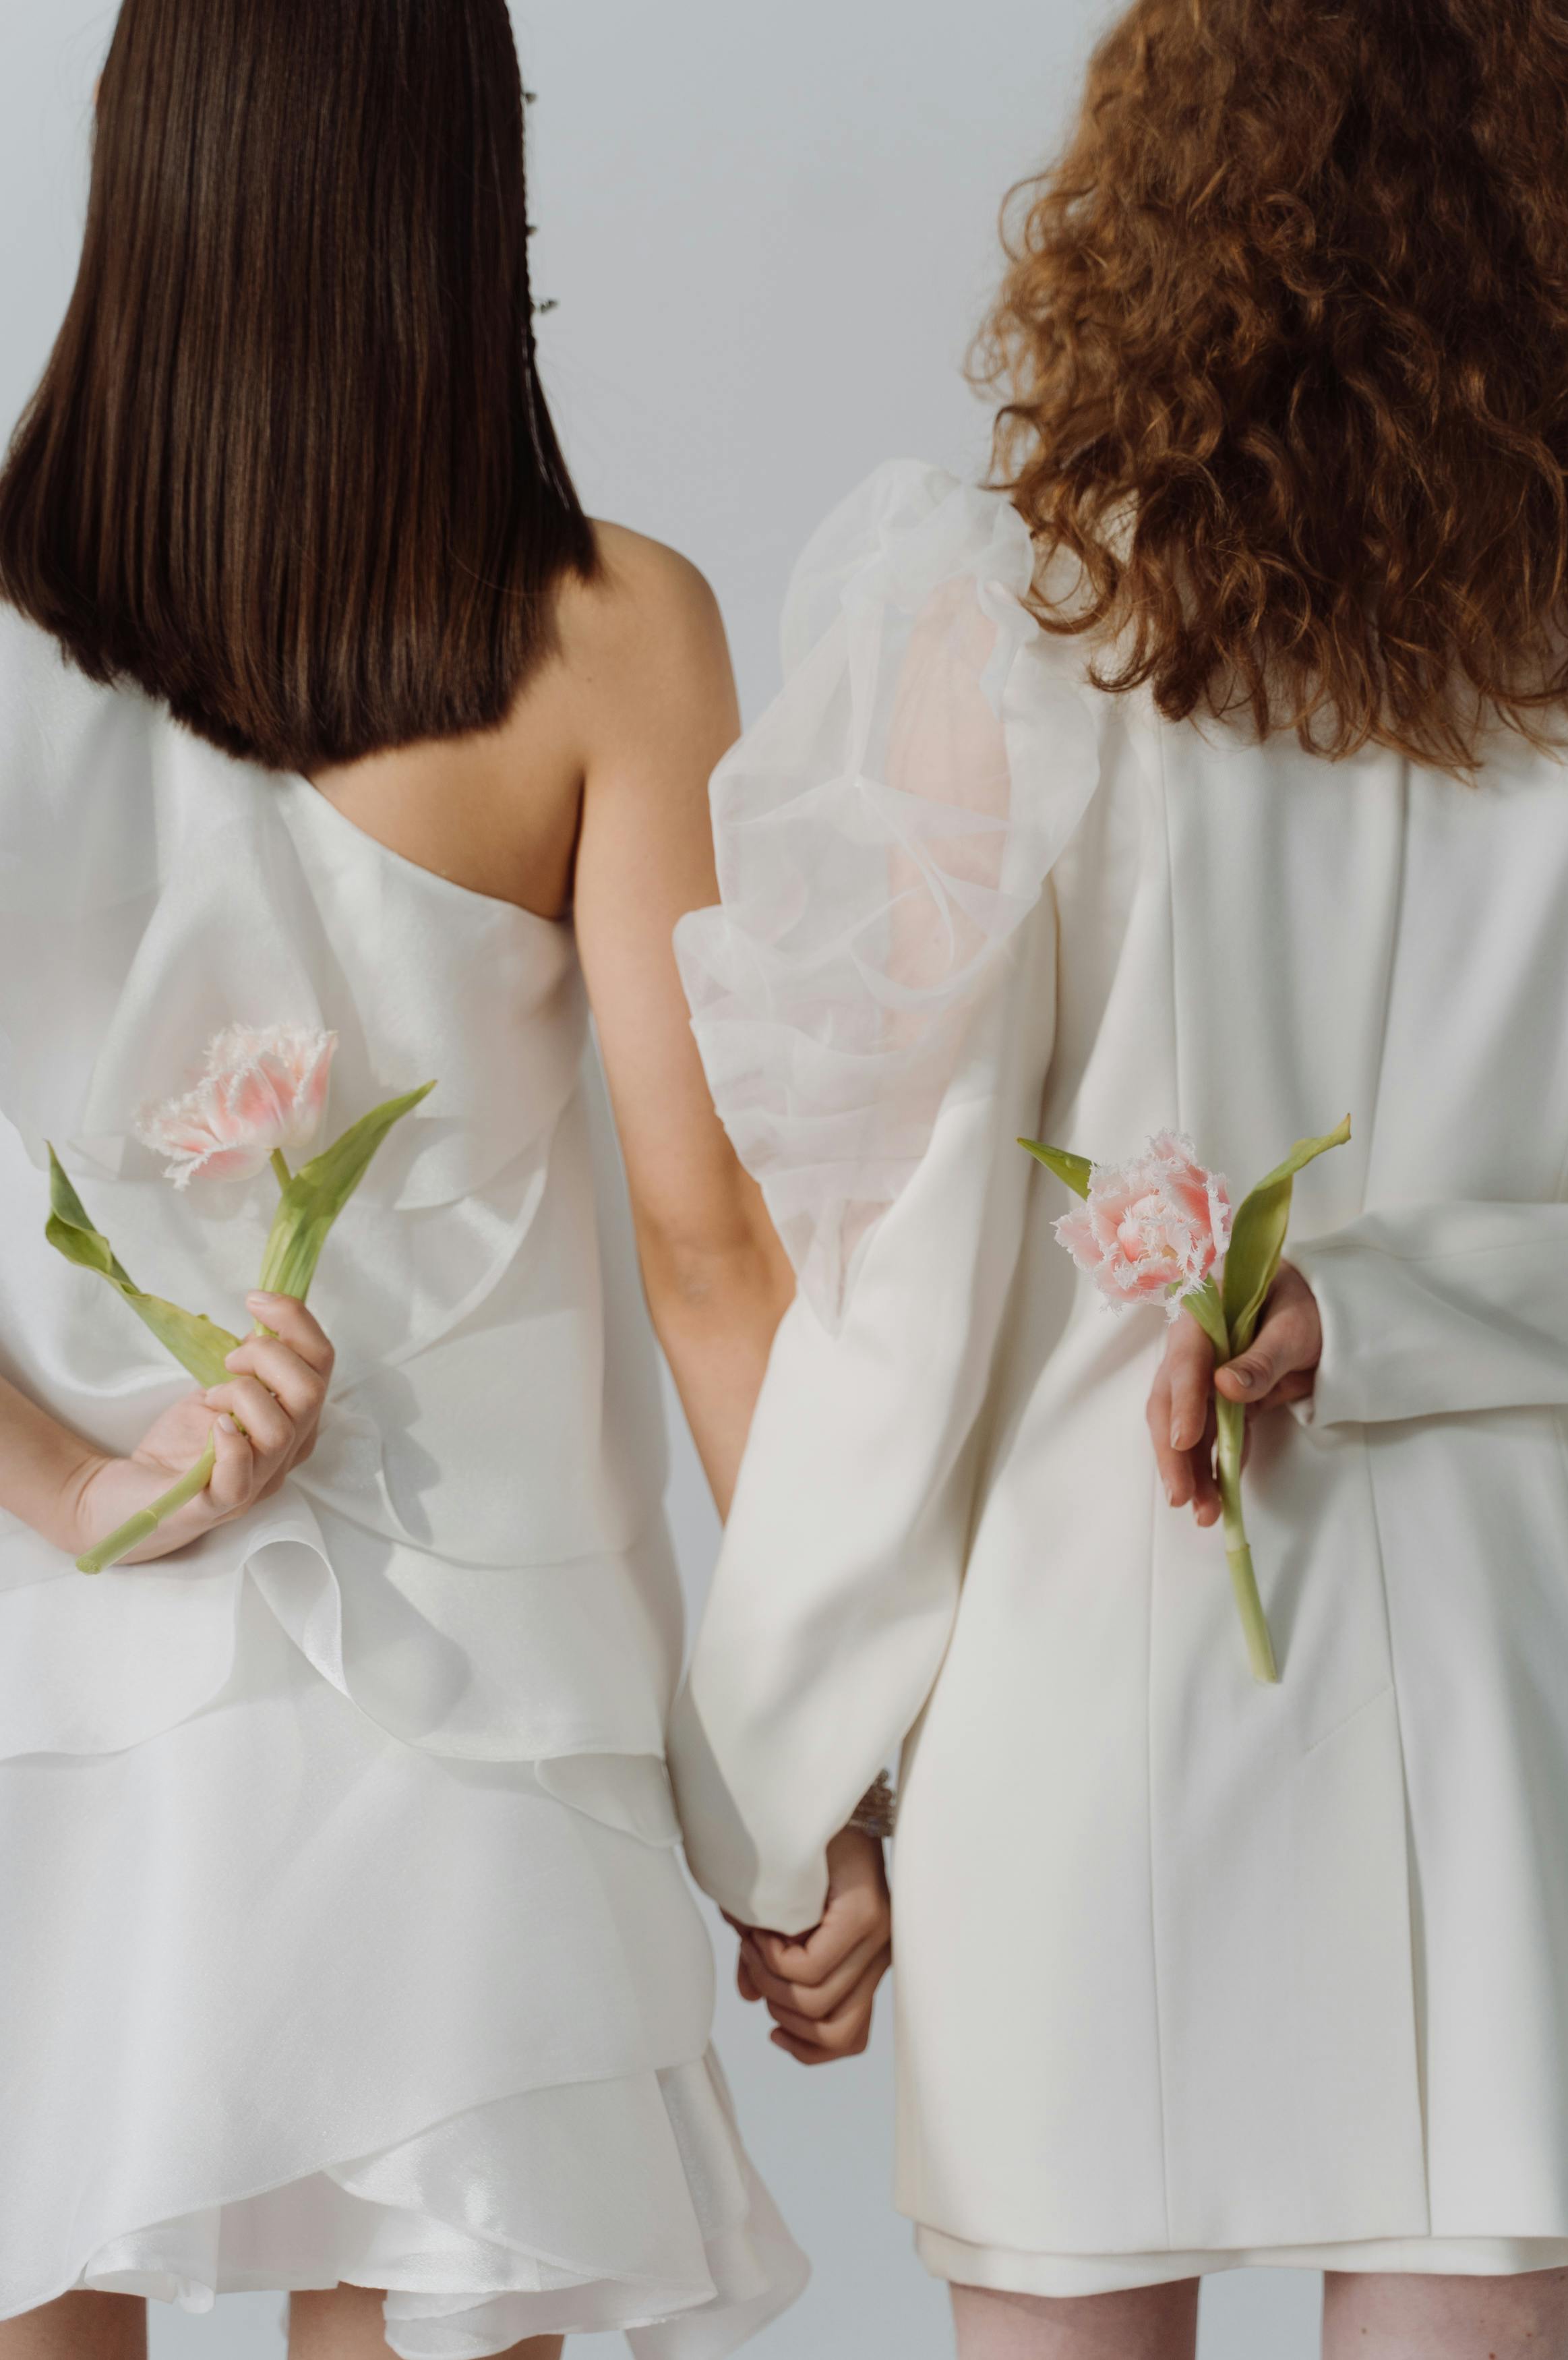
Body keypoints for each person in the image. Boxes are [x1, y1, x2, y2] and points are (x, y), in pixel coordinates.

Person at [667, 1, 1568, 2355]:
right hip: (1511, 1718)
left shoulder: (1031, 613)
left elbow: (910, 1294)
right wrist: (1381, 1314)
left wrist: (783, 1808)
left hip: (1097, 1691)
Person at [0, 0, 858, 2351]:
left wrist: (77, 1484)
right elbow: (717, 1258)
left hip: (55, 1686)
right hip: (476, 1703)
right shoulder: (611, 635)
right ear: (461, 194)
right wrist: (817, 1775)